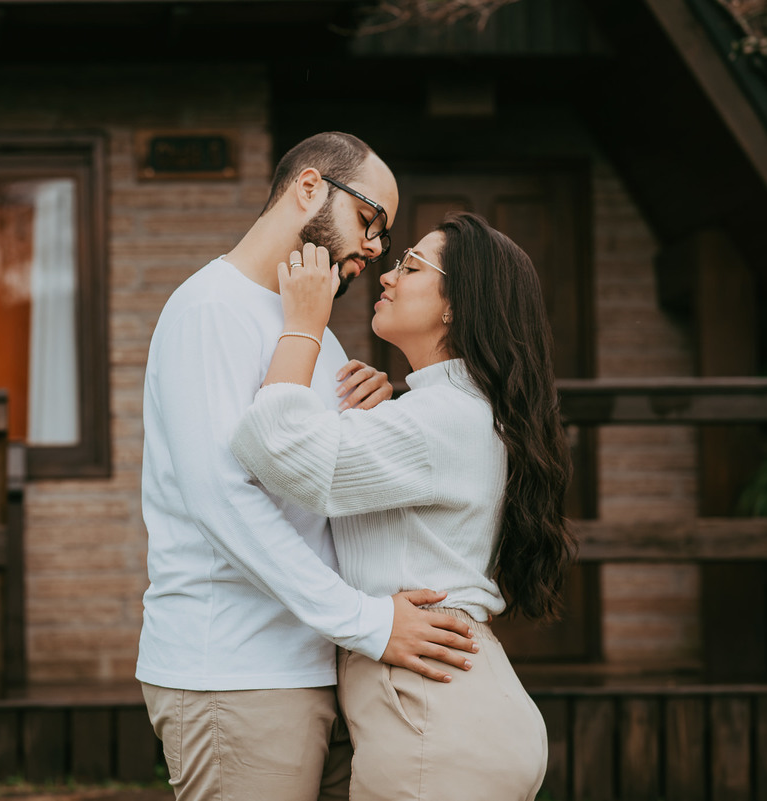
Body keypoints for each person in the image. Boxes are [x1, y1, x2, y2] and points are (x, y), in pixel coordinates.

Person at [137, 133, 479, 801]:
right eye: (371, 220)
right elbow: (222, 500)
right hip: (236, 669)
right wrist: (371, 621)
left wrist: (369, 414)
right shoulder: (209, 309)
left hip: (313, 658)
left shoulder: (312, 326)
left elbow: (315, 482)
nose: (377, 247)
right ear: (309, 187)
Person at [230, 211, 575, 801]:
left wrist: (304, 325)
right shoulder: (454, 411)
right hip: (450, 711)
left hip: (431, 719)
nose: (387, 276)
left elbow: (276, 449)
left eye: (411, 265)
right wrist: (373, 414)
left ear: (456, 305)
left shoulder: (441, 419)